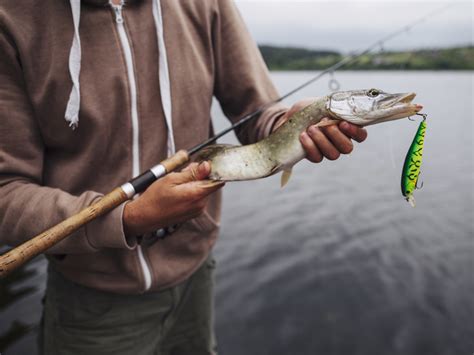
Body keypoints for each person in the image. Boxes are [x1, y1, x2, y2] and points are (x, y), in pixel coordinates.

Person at [0, 0, 367, 354]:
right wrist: (128, 217)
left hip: (197, 276)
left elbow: (259, 110)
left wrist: (289, 125)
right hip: (91, 302)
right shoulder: (12, 16)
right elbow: (6, 193)